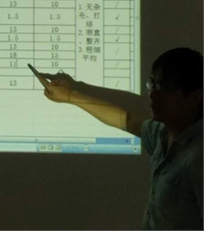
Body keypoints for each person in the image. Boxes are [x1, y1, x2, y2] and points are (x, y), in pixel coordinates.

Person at [35, 47, 203, 230]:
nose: (153, 94)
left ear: (194, 97)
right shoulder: (161, 133)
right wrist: (70, 96)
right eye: (152, 84)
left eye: (163, 88)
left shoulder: (198, 155)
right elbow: (125, 120)